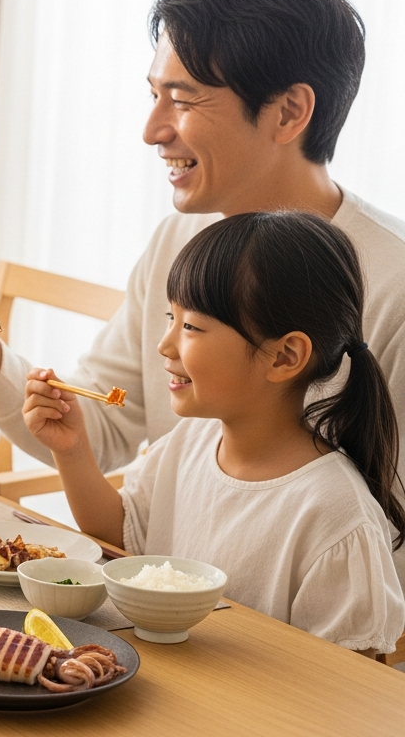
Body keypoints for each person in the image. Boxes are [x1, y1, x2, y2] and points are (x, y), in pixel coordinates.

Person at [0, 0, 405, 577]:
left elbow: (385, 549)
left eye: (183, 99)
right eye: (154, 95)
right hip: (159, 605)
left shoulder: (392, 284)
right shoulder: (180, 240)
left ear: (288, 111)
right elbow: (98, 422)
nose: (151, 131)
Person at [23, 212, 405, 655]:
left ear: (284, 356)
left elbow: (348, 692)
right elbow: (121, 532)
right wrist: (72, 450)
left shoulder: (335, 514)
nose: (165, 345)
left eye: (191, 327)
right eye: (171, 317)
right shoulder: (189, 444)